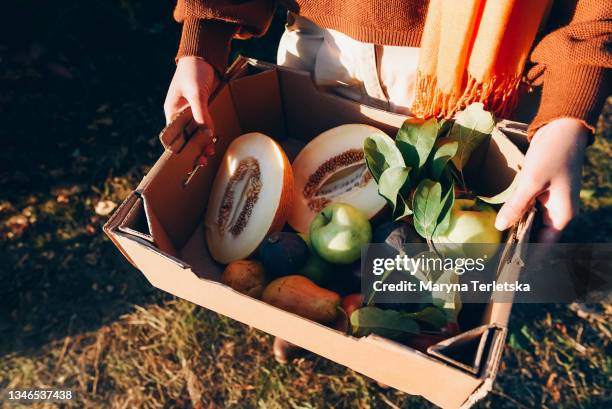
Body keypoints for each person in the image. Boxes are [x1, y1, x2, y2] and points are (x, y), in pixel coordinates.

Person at [164, 0, 610, 360]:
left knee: (422, 279)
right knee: (324, 269)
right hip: (324, 36)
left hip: (477, 63)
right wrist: (206, 31)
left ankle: (396, 344)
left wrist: (569, 107)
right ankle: (307, 318)